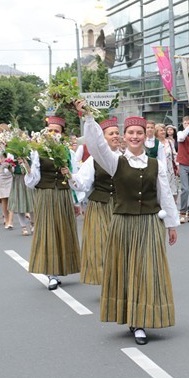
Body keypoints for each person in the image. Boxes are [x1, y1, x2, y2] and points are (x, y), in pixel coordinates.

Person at [77, 102, 179, 346]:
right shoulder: (114, 161)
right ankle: (133, 319)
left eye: (139, 133)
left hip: (150, 224)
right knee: (127, 271)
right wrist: (89, 117)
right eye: (131, 133)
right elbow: (96, 145)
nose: (135, 136)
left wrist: (172, 225)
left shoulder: (156, 164)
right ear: (124, 136)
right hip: (123, 224)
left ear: (147, 136)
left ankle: (142, 319)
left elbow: (164, 194)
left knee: (147, 271)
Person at [23, 116, 81, 291]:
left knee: (62, 230)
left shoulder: (68, 152)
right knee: (48, 231)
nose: (53, 133)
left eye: (56, 130)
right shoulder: (37, 151)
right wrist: (26, 166)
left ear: (62, 133)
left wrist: (76, 201)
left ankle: (62, 267)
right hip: (46, 194)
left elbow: (74, 177)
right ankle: (51, 273)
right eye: (50, 130)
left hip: (63, 195)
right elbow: (32, 181)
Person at [70, 118, 121, 285]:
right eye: (111, 133)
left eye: (117, 133)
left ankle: (120, 279)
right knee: (100, 245)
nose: (115, 136)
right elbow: (83, 183)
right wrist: (70, 177)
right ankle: (105, 280)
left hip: (121, 205)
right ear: (102, 138)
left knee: (120, 245)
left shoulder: (126, 158)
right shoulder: (93, 160)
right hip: (100, 206)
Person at [0, 124, 14, 229]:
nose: (1, 134)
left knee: (11, 196)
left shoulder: (12, 144)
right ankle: (6, 218)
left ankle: (11, 219)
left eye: (3, 132)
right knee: (4, 197)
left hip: (10, 171)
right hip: (1, 171)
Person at [156, 124, 179, 203]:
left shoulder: (169, 142)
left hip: (170, 169)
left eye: (163, 130)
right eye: (161, 130)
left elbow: (174, 154)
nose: (163, 132)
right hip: (158, 169)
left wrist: (177, 165)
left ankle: (172, 205)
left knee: (173, 189)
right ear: (156, 132)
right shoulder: (155, 142)